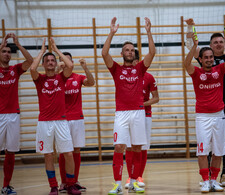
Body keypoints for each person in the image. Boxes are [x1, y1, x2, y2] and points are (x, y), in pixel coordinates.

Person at [185, 10, 225, 187]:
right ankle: (207, 178)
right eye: (215, 42)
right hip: (205, 111)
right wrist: (190, 26)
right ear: (209, 48)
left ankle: (222, 176)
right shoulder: (203, 60)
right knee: (206, 147)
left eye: (221, 42)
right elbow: (190, 45)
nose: (218, 45)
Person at [102, 17, 155, 195]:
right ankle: (117, 184)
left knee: (137, 148)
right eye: (127, 50)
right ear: (122, 53)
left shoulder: (140, 69)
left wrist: (148, 32)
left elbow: (152, 53)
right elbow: (104, 53)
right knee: (119, 147)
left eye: (132, 50)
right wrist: (111, 32)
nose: (130, 52)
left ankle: (133, 181)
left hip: (139, 113)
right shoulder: (116, 69)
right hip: (122, 114)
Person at [30, 38, 81, 195]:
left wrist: (56, 50)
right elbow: (32, 68)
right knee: (48, 155)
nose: (51, 62)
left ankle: (70, 184)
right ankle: (53, 186)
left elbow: (71, 65)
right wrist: (41, 52)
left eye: (53, 60)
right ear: (44, 64)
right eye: (48, 61)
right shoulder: (40, 79)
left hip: (61, 121)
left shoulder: (61, 78)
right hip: (44, 123)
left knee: (68, 154)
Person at [0, 33, 33, 195]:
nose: (7, 54)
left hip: (13, 115)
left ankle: (6, 186)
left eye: (9, 52)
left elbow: (30, 61)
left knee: (11, 151)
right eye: (3, 51)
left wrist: (18, 44)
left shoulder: (15, 70)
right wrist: (0, 45)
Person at [57, 52, 95, 193]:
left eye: (68, 60)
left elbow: (91, 83)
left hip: (77, 118)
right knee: (64, 151)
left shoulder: (78, 77)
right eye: (63, 60)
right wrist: (57, 70)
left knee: (76, 150)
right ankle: (63, 182)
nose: (66, 63)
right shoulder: (56, 78)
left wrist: (85, 68)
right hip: (62, 119)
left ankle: (74, 181)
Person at [125, 50, 159, 189]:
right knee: (128, 146)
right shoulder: (124, 76)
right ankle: (130, 177)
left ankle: (139, 176)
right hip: (128, 115)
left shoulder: (149, 77)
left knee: (142, 147)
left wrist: (141, 104)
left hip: (145, 115)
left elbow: (156, 98)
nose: (133, 65)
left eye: (135, 62)